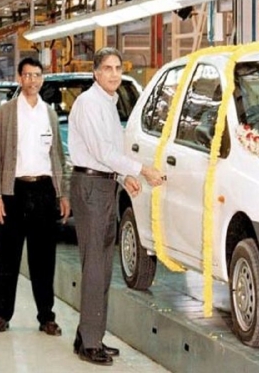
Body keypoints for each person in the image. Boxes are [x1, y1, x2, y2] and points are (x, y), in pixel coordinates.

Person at [68, 47, 164, 366]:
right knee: (95, 266)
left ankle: (89, 334)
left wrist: (123, 178)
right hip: (91, 186)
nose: (113, 74)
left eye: (118, 68)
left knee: (103, 266)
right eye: (107, 68)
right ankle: (89, 343)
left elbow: (110, 152)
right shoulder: (89, 103)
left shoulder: (109, 102)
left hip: (104, 183)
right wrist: (141, 170)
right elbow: (100, 152)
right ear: (96, 72)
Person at [0, 57, 71, 337]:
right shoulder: (6, 113)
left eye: (37, 75)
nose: (32, 80)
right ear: (19, 78)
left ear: (42, 79)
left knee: (44, 259)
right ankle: (2, 314)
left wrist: (62, 194)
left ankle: (46, 316)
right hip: (14, 191)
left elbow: (57, 156)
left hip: (44, 191)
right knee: (8, 257)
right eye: (27, 75)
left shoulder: (49, 113)